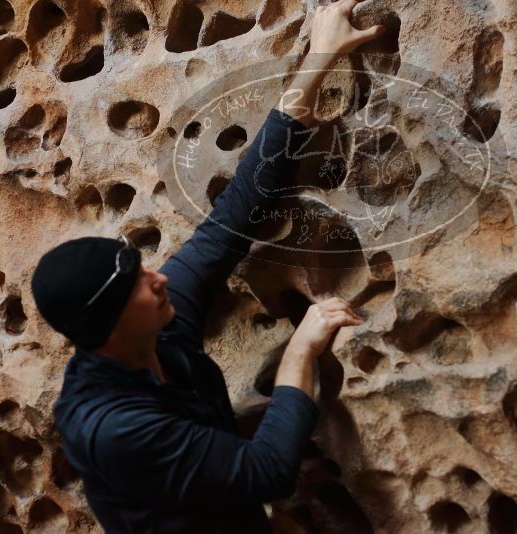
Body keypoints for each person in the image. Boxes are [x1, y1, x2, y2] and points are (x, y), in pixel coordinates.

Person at [29, 2, 385, 532]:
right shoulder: (115, 429)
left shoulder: (154, 329)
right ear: (109, 327)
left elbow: (229, 225)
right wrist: (302, 352)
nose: (160, 277)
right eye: (139, 287)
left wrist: (319, 60)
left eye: (144, 267)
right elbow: (267, 472)